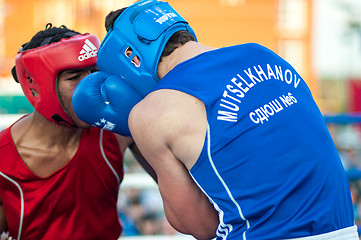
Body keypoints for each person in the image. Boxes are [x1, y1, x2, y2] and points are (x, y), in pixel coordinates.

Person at [72, 0, 358, 239]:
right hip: (345, 231)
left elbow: (199, 226)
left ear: (130, 58)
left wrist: (136, 129)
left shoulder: (151, 112)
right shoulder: (263, 53)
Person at [0, 23, 155, 240]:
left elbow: (186, 193)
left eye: (94, 72)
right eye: (74, 78)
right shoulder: (4, 160)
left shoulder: (115, 130)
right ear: (38, 86)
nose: (90, 86)